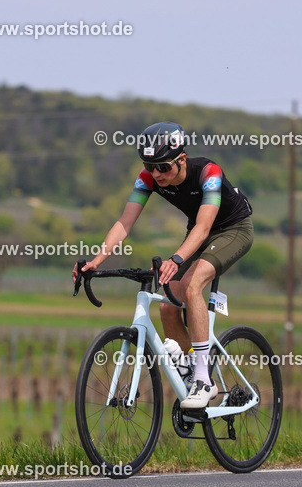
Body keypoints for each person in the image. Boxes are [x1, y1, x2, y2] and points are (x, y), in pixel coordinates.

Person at [73, 121, 253, 408]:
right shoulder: (149, 178)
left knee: (192, 288)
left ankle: (204, 381)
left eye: (164, 167)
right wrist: (96, 260)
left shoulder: (209, 172)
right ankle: (192, 372)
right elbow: (124, 222)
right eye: (150, 166)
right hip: (198, 233)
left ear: (181, 159)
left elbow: (205, 227)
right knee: (168, 304)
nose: (157, 174)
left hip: (232, 230)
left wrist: (177, 259)